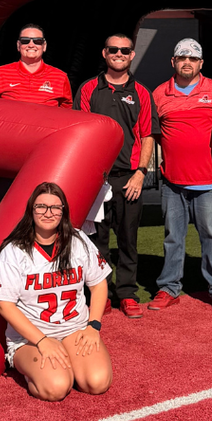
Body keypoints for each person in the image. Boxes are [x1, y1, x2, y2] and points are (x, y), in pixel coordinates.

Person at [0, 181, 112, 402]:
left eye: (55, 207)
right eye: (41, 206)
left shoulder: (78, 239)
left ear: (63, 211)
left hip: (74, 329)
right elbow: (3, 305)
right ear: (31, 210)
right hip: (31, 338)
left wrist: (94, 325)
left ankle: (69, 362)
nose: (48, 213)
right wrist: (43, 341)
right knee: (56, 388)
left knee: (97, 382)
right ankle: (35, 369)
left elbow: (98, 283)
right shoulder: (14, 250)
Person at [74, 33, 159, 318]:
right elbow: (79, 131)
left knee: (127, 238)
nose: (119, 53)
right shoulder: (88, 89)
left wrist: (140, 174)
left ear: (132, 54)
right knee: (96, 239)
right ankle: (101, 293)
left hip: (128, 177)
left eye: (125, 50)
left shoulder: (142, 93)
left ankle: (126, 292)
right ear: (104, 52)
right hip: (96, 177)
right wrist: (86, 175)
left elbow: (148, 136)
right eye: (114, 49)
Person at [150, 38, 212, 311]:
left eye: (193, 59)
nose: (187, 62)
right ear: (173, 62)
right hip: (173, 182)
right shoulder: (160, 93)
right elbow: (157, 134)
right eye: (182, 58)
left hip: (207, 180)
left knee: (210, 236)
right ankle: (169, 287)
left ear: (201, 63)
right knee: (173, 237)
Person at [0, 23, 72, 107]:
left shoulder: (60, 77)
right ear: (18, 45)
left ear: (44, 46)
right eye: (25, 41)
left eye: (37, 41)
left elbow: (66, 113)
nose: (31, 45)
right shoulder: (0, 73)